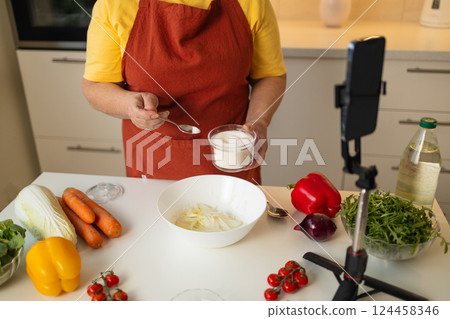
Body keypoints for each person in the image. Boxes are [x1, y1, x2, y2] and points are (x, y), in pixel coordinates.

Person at [82, 0, 286, 184]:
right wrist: (129, 105)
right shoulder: (114, 5)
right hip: (152, 165)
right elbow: (96, 86)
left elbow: (270, 75)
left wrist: (259, 121)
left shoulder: (252, 3)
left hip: (233, 157)